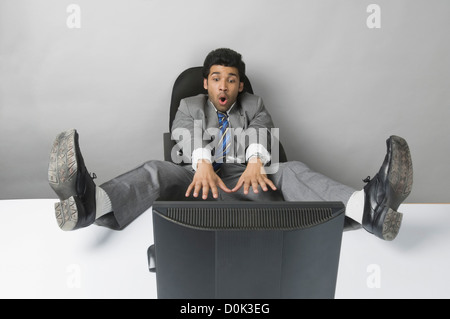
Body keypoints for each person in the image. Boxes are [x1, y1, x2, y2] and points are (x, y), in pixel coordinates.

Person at [48, 48, 413, 241]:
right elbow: (182, 134)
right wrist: (203, 161)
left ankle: (370, 209)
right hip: (196, 182)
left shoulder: (254, 104)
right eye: (217, 79)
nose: (224, 87)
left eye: (232, 80)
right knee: (155, 169)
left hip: (249, 183)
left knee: (292, 169)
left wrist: (256, 158)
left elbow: (262, 131)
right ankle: (90, 204)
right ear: (206, 84)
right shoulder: (190, 106)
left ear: (241, 86)